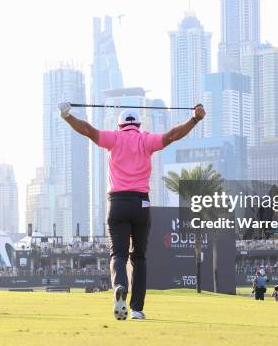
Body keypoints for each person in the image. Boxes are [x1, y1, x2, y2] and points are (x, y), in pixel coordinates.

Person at [59, 102, 206, 320]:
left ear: (119, 126)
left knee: (118, 254)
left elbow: (88, 130)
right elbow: (173, 135)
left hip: (117, 203)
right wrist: (195, 119)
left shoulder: (113, 138)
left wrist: (67, 116)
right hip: (141, 204)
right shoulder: (146, 139)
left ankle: (120, 286)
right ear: (138, 124)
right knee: (139, 258)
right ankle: (136, 309)